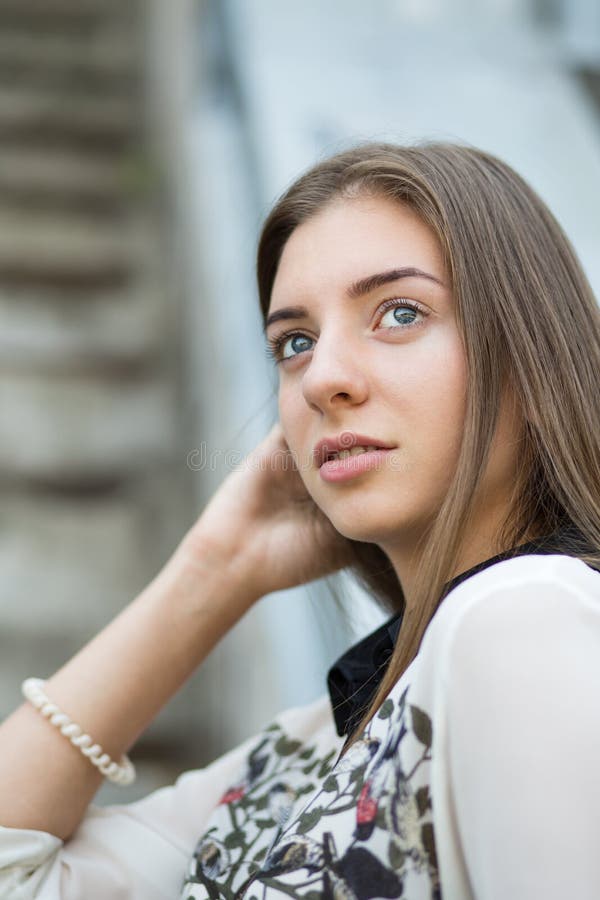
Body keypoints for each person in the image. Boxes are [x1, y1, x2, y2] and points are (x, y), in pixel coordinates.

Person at [0, 141, 599, 900]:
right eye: (296, 342)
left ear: (530, 354)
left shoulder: (523, 616)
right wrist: (217, 569)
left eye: (400, 313)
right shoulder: (310, 746)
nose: (322, 379)